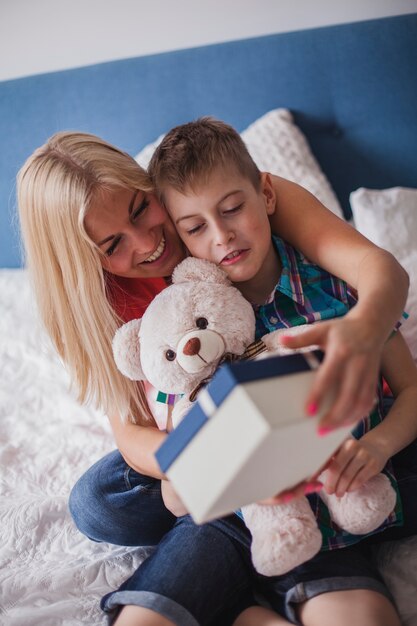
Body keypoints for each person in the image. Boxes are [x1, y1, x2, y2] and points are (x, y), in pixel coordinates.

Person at [17, 128, 413, 626]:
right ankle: (248, 520)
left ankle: (264, 530)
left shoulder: (224, 205)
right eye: (113, 243)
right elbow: (132, 433)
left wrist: (364, 330)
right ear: (84, 262)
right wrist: (211, 463)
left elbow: (379, 271)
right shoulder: (99, 304)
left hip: (287, 407)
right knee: (98, 503)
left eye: (141, 209)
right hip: (197, 436)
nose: (147, 243)